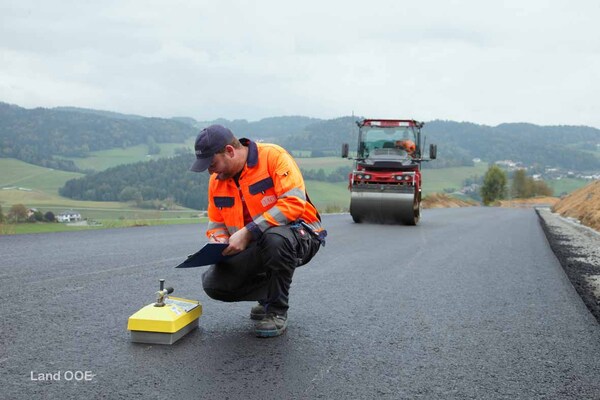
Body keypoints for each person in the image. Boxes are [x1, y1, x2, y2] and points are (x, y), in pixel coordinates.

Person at [190, 124, 326, 338]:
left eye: (212, 163)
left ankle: (276, 311)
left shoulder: (274, 156)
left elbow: (293, 202)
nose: (210, 170)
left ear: (230, 151)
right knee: (213, 284)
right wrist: (220, 243)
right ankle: (270, 293)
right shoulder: (216, 182)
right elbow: (216, 223)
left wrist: (249, 232)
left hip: (301, 234)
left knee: (274, 239)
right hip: (256, 244)